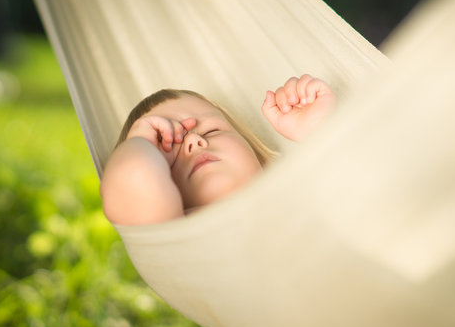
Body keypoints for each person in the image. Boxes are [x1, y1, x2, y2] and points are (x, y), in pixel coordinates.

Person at [100, 74, 335, 225]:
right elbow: (135, 178)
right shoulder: (176, 235)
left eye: (211, 131)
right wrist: (140, 140)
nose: (194, 142)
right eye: (168, 150)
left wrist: (317, 134)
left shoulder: (298, 183)